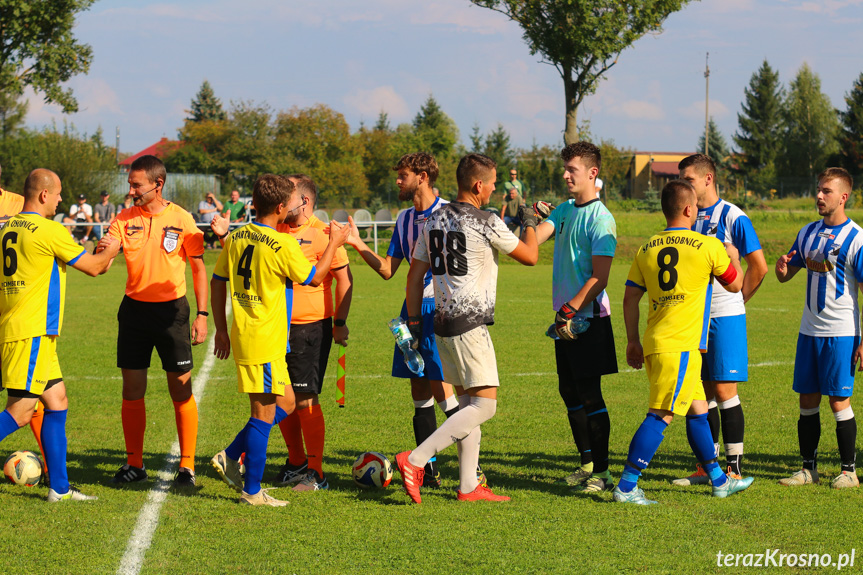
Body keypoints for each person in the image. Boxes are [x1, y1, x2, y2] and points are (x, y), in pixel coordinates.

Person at [395, 153, 538, 503]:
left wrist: (414, 322)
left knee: (466, 405)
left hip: (440, 325)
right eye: (491, 184)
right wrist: (531, 220)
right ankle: (415, 459)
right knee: (485, 407)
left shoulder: (433, 220)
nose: (493, 190)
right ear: (478, 185)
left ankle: (468, 486)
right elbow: (530, 255)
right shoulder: (486, 220)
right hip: (470, 325)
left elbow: (414, 277)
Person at [209, 174, 349, 506]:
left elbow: (217, 282)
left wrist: (221, 328)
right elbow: (314, 279)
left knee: (285, 402)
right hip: (267, 338)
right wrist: (334, 243)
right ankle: (252, 490)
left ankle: (230, 455)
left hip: (245, 333)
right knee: (263, 413)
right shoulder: (283, 243)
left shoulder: (236, 236)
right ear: (281, 206)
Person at [616, 179, 752, 505]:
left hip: (658, 341)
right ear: (690, 209)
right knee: (661, 415)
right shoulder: (708, 246)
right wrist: (733, 256)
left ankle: (719, 480)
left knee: (699, 411)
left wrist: (632, 341)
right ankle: (626, 485)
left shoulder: (647, 247)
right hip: (680, 346)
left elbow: (629, 298)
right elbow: (735, 286)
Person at [345, 152, 469, 488]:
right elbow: (388, 270)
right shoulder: (403, 219)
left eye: (403, 175)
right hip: (410, 311)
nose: (398, 181)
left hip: (439, 310)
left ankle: (471, 471)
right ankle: (426, 470)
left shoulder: (448, 214)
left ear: (424, 176)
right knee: (418, 389)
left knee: (445, 391)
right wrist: (357, 243)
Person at [0, 168, 119, 501]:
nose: (61, 199)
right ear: (43, 195)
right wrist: (114, 247)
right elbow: (95, 268)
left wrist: (102, 253)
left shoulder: (6, 226)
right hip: (31, 331)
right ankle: (59, 488)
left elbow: (92, 263)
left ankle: (60, 489)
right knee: (21, 412)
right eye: (58, 194)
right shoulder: (49, 230)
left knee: (57, 401)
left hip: (23, 329)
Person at [99, 154, 208, 489]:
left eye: (137, 185)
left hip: (172, 313)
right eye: (130, 184)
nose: (131, 190)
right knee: (132, 389)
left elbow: (199, 268)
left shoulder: (182, 218)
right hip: (133, 312)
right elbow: (105, 257)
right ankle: (135, 464)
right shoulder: (124, 218)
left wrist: (202, 315)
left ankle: (187, 466)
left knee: (180, 388)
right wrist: (103, 249)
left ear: (157, 184)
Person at [673, 154, 767, 486]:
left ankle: (734, 468)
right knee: (704, 390)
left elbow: (759, 265)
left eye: (689, 179)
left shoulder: (733, 216)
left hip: (725, 316)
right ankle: (706, 466)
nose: (684, 184)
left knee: (725, 389)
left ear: (708, 179)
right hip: (693, 318)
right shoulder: (687, 217)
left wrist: (739, 300)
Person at [534, 142, 618, 492]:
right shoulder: (565, 210)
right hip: (564, 318)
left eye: (573, 170)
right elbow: (533, 242)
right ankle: (585, 464)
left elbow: (601, 276)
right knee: (568, 390)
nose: (566, 175)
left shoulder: (602, 218)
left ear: (592, 173)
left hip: (589, 319)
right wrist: (528, 221)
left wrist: (572, 306)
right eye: (565, 169)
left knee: (590, 394)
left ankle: (603, 473)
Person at [775, 167, 862, 489]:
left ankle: (848, 471)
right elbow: (787, 274)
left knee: (838, 401)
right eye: (818, 190)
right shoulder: (808, 232)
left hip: (842, 332)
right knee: (807, 399)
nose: (819, 196)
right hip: (808, 331)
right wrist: (781, 268)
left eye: (826, 191)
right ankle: (808, 469)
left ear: (844, 196)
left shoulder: (857, 238)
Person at [271, 174, 352, 491]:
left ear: (303, 201)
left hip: (310, 327)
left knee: (305, 398)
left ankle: (317, 472)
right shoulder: (276, 230)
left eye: (286, 193)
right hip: (278, 326)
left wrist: (339, 323)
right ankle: (296, 462)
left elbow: (344, 280)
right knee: (283, 395)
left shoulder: (324, 234)